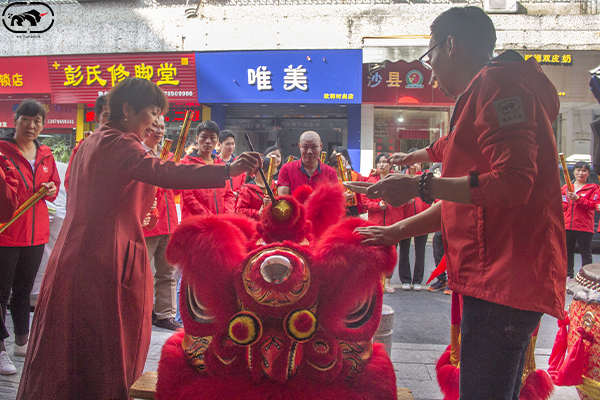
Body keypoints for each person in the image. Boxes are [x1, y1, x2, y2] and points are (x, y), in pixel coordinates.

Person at [355, 7, 566, 399]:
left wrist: (420, 184)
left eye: (429, 55)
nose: (431, 70)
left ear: (450, 45)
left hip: (503, 281)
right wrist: (394, 231)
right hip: (498, 280)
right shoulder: (488, 90)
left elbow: (512, 183)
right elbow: (468, 200)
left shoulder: (497, 84)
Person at [16, 78, 261, 400]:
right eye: (153, 112)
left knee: (70, 341)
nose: (157, 121)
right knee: (108, 342)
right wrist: (228, 170)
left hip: (77, 252)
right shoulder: (120, 143)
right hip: (106, 255)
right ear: (128, 109)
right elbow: (165, 172)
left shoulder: (93, 141)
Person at [0, 99, 60, 376]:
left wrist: (51, 189)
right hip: (7, 233)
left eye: (37, 121)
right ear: (15, 121)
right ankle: (1, 348)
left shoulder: (46, 154)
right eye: (26, 119)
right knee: (1, 293)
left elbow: (55, 185)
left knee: (24, 291)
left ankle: (22, 342)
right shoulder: (3, 152)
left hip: (36, 234)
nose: (31, 125)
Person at [142, 115, 182, 331]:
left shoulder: (170, 156)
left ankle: (165, 314)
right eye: (154, 126)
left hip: (169, 222)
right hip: (148, 222)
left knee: (168, 272)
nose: (159, 131)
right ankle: (144, 312)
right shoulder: (139, 154)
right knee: (143, 272)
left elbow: (177, 189)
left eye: (162, 127)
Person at [363, 153, 403, 293]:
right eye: (379, 162)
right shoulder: (370, 180)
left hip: (393, 221)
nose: (382, 164)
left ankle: (388, 282)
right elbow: (364, 202)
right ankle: (376, 282)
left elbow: (403, 200)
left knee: (391, 252)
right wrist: (377, 206)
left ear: (390, 165)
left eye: (385, 162)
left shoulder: (397, 180)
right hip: (376, 222)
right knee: (375, 253)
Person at [180, 121, 236, 219]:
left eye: (212, 137)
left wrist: (227, 217)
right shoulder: (187, 164)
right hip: (196, 222)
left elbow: (228, 194)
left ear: (217, 141)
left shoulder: (221, 165)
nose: (208, 141)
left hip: (220, 223)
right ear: (197, 138)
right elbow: (188, 197)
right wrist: (211, 219)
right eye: (204, 137)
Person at [562, 161, 599, 280]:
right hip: (567, 225)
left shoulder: (594, 188)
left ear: (588, 173)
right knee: (568, 252)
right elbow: (563, 205)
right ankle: (568, 276)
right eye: (578, 170)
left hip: (584, 226)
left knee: (585, 253)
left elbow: (593, 205)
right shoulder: (566, 187)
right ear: (574, 172)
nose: (581, 173)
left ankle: (587, 277)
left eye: (584, 171)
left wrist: (578, 199)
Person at [64, 95, 109, 192]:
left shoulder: (126, 148)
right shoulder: (82, 148)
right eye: (106, 115)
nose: (111, 120)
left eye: (115, 116)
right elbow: (70, 183)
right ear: (97, 118)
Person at [398, 155, 430, 291]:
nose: (415, 164)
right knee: (404, 249)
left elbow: (426, 192)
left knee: (420, 249)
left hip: (422, 217)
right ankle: (405, 279)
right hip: (405, 218)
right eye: (412, 161)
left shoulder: (425, 176)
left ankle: (417, 280)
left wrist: (418, 173)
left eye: (417, 161)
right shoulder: (402, 177)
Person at [277, 131, 337, 196]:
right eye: (305, 147)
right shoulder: (287, 169)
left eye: (314, 147)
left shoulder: (330, 172)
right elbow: (283, 198)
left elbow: (334, 198)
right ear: (300, 147)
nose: (309, 151)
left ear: (320, 146)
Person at [329, 146, 365, 217]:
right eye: (343, 163)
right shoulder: (331, 180)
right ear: (335, 167)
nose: (346, 164)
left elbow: (364, 185)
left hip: (354, 209)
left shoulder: (354, 175)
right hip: (339, 210)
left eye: (346, 161)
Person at [219, 130, 244, 198]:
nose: (231, 147)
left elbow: (244, 182)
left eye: (233, 144)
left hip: (237, 199)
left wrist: (238, 193)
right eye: (227, 144)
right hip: (221, 199)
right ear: (219, 145)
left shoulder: (239, 162)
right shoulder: (215, 163)